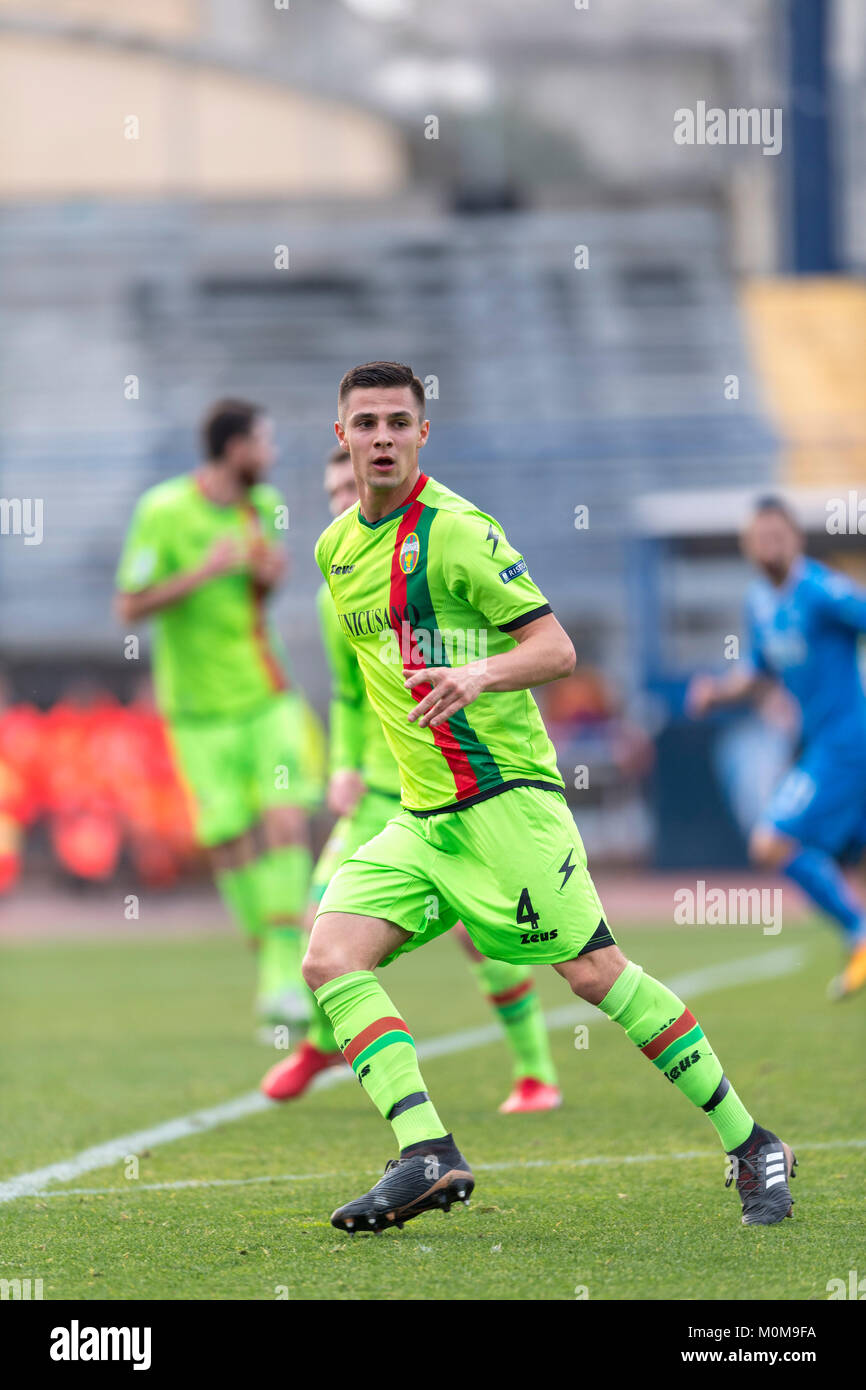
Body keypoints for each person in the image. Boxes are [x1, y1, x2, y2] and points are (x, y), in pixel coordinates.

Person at [303, 361, 795, 1234]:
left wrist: (477, 673)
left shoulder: (458, 534)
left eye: (398, 423)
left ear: (423, 435)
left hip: (505, 801)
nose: (382, 438)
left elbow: (559, 648)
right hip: (423, 818)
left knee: (592, 972)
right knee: (330, 958)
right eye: (366, 423)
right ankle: (427, 1153)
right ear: (339, 436)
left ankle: (751, 1141)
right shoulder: (335, 553)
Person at [262, 447, 561, 1113]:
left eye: (352, 483)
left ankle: (536, 1071)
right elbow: (345, 693)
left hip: (451, 784)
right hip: (374, 790)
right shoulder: (333, 582)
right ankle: (321, 1043)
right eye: (334, 487)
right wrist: (341, 765)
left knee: (486, 934)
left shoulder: (432, 557)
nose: (345, 496)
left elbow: (524, 649)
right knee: (324, 922)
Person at [115, 400, 321, 1032]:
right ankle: (274, 973)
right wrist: (203, 572)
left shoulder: (264, 509)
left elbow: (256, 593)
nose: (273, 454)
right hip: (198, 708)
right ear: (234, 449)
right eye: (265, 442)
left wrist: (266, 578)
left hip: (265, 691)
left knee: (287, 820)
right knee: (229, 837)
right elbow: (130, 605)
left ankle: (288, 971)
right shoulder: (163, 511)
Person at [689, 495, 866, 1000]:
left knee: (773, 841)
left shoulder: (821, 590)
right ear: (748, 545)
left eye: (778, 535)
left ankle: (859, 933)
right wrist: (719, 692)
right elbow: (760, 671)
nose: (769, 545)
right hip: (821, 747)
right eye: (760, 537)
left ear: (796, 539)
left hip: (846, 746)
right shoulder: (759, 601)